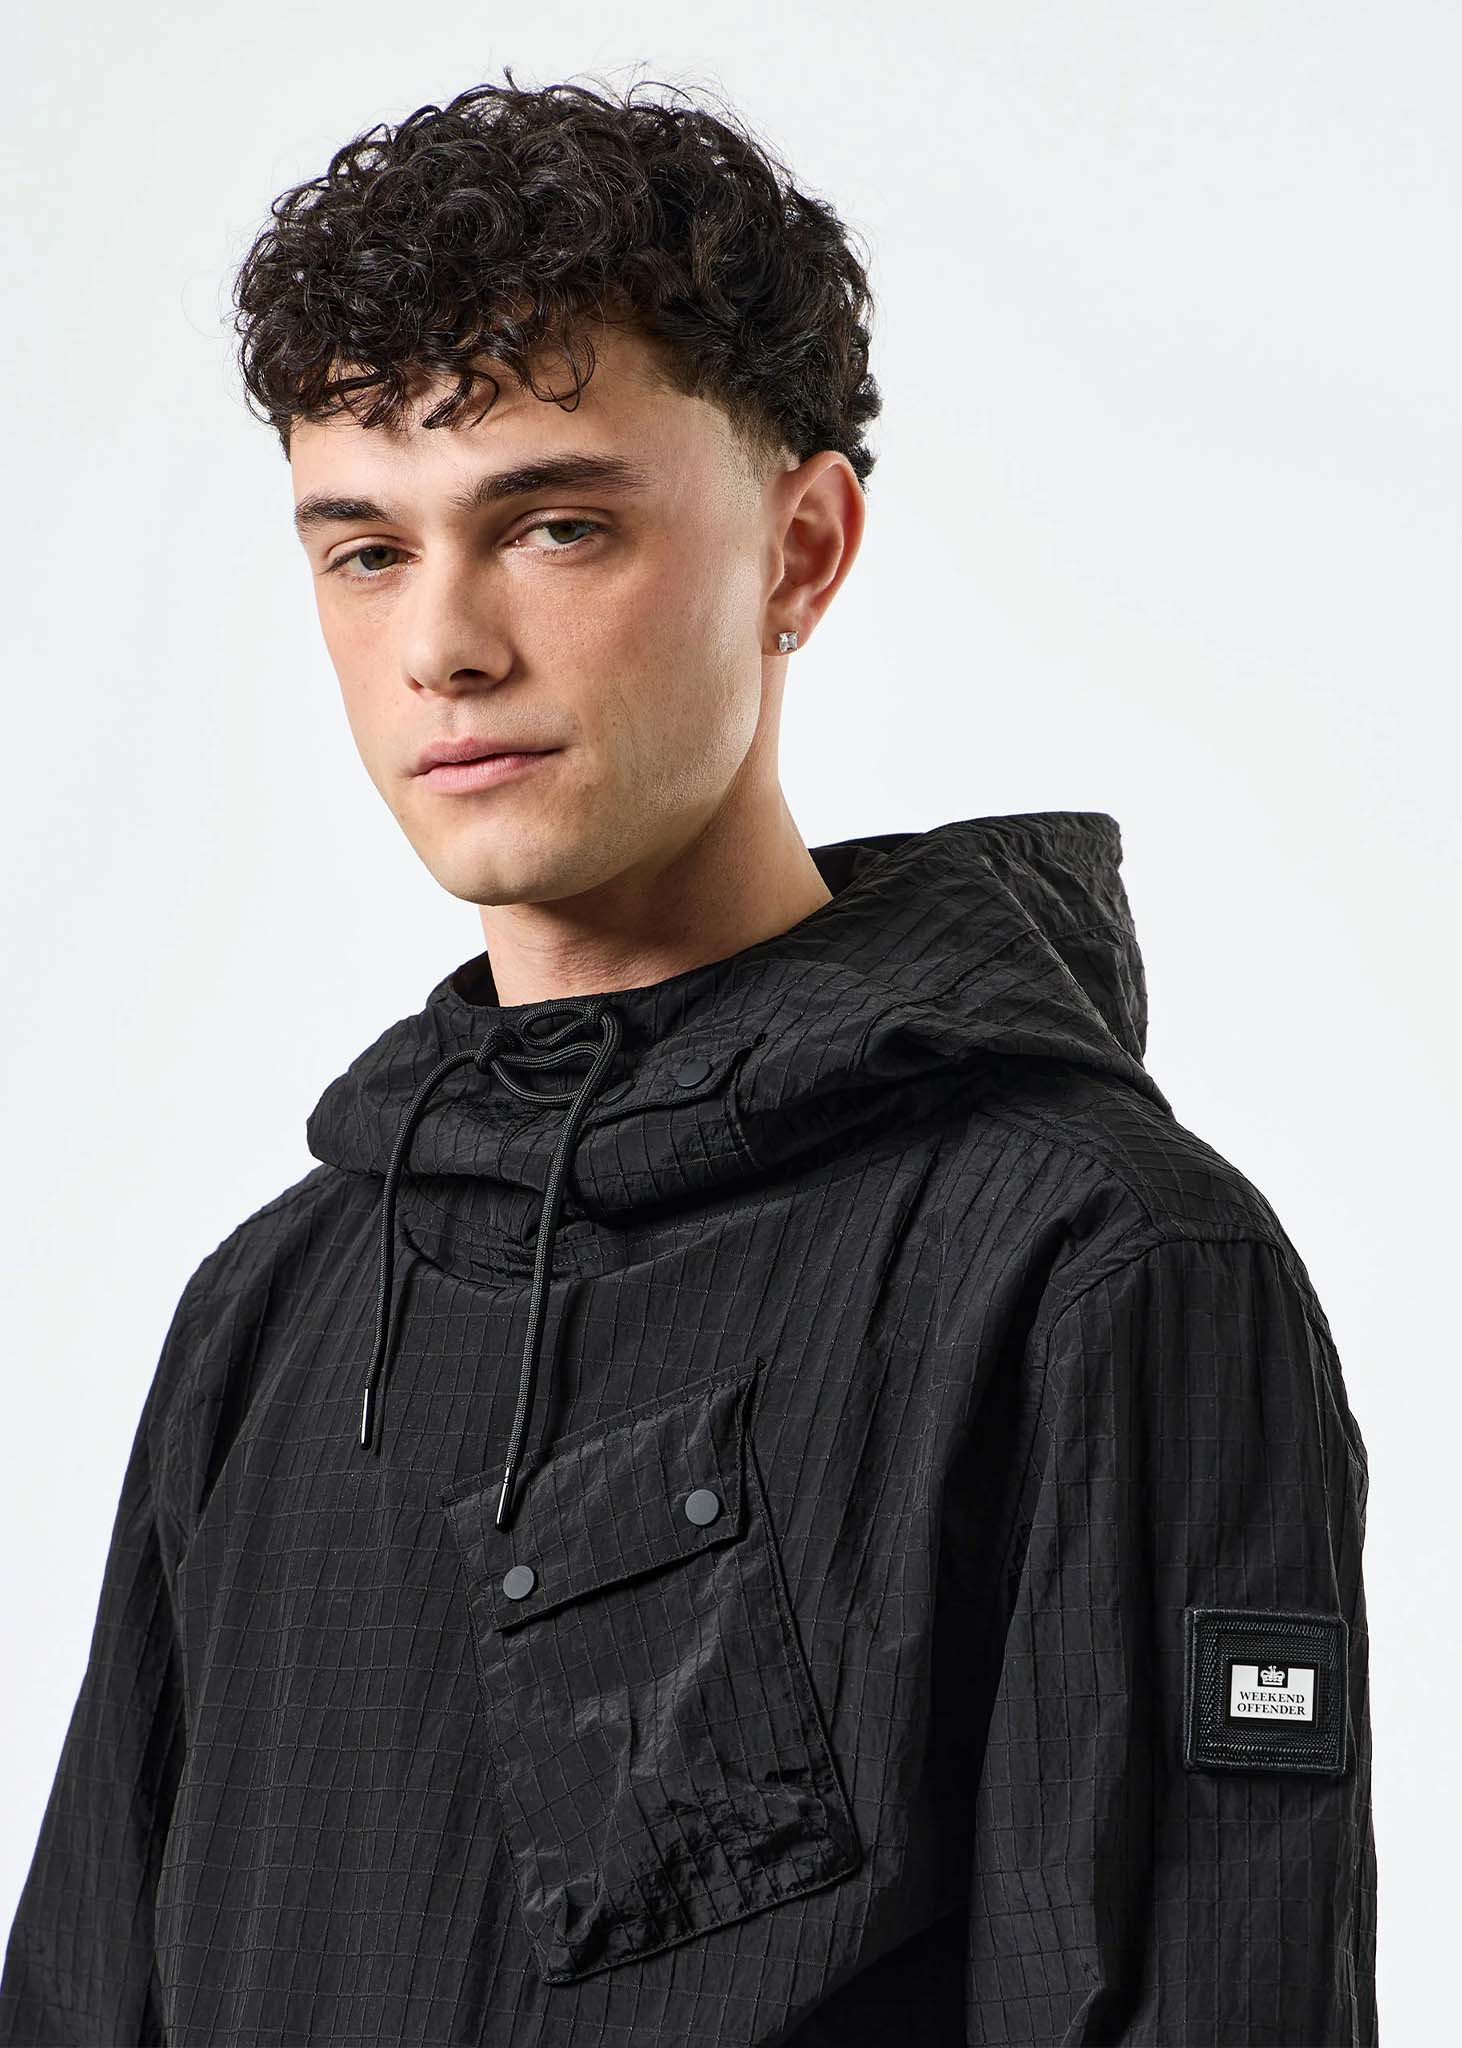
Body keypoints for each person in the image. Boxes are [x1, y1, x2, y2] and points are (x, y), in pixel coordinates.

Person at [0, 71, 1376, 2047]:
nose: (445, 645)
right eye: (364, 550)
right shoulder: (270, 1313)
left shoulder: (1095, 1268)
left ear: (799, 551)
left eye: (553, 524)